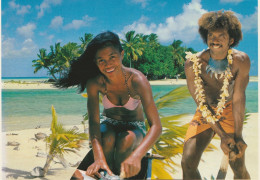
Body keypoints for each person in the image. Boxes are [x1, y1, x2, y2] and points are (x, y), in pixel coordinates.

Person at [55, 31, 162, 179]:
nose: (108, 64)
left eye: (112, 57)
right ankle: (107, 173)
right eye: (101, 61)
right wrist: (98, 157)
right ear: (96, 62)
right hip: (109, 124)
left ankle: (117, 176)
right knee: (108, 137)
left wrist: (137, 156)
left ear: (122, 55)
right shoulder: (95, 83)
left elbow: (156, 126)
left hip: (135, 126)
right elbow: (94, 121)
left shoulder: (137, 80)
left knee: (126, 140)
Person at [182, 10, 250, 179]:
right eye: (211, 35)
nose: (215, 39)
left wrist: (238, 136)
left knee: (238, 164)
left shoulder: (241, 60)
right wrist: (222, 135)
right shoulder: (193, 63)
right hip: (205, 111)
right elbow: (201, 104)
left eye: (221, 35)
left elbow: (238, 98)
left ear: (231, 40)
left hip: (229, 109)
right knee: (187, 162)